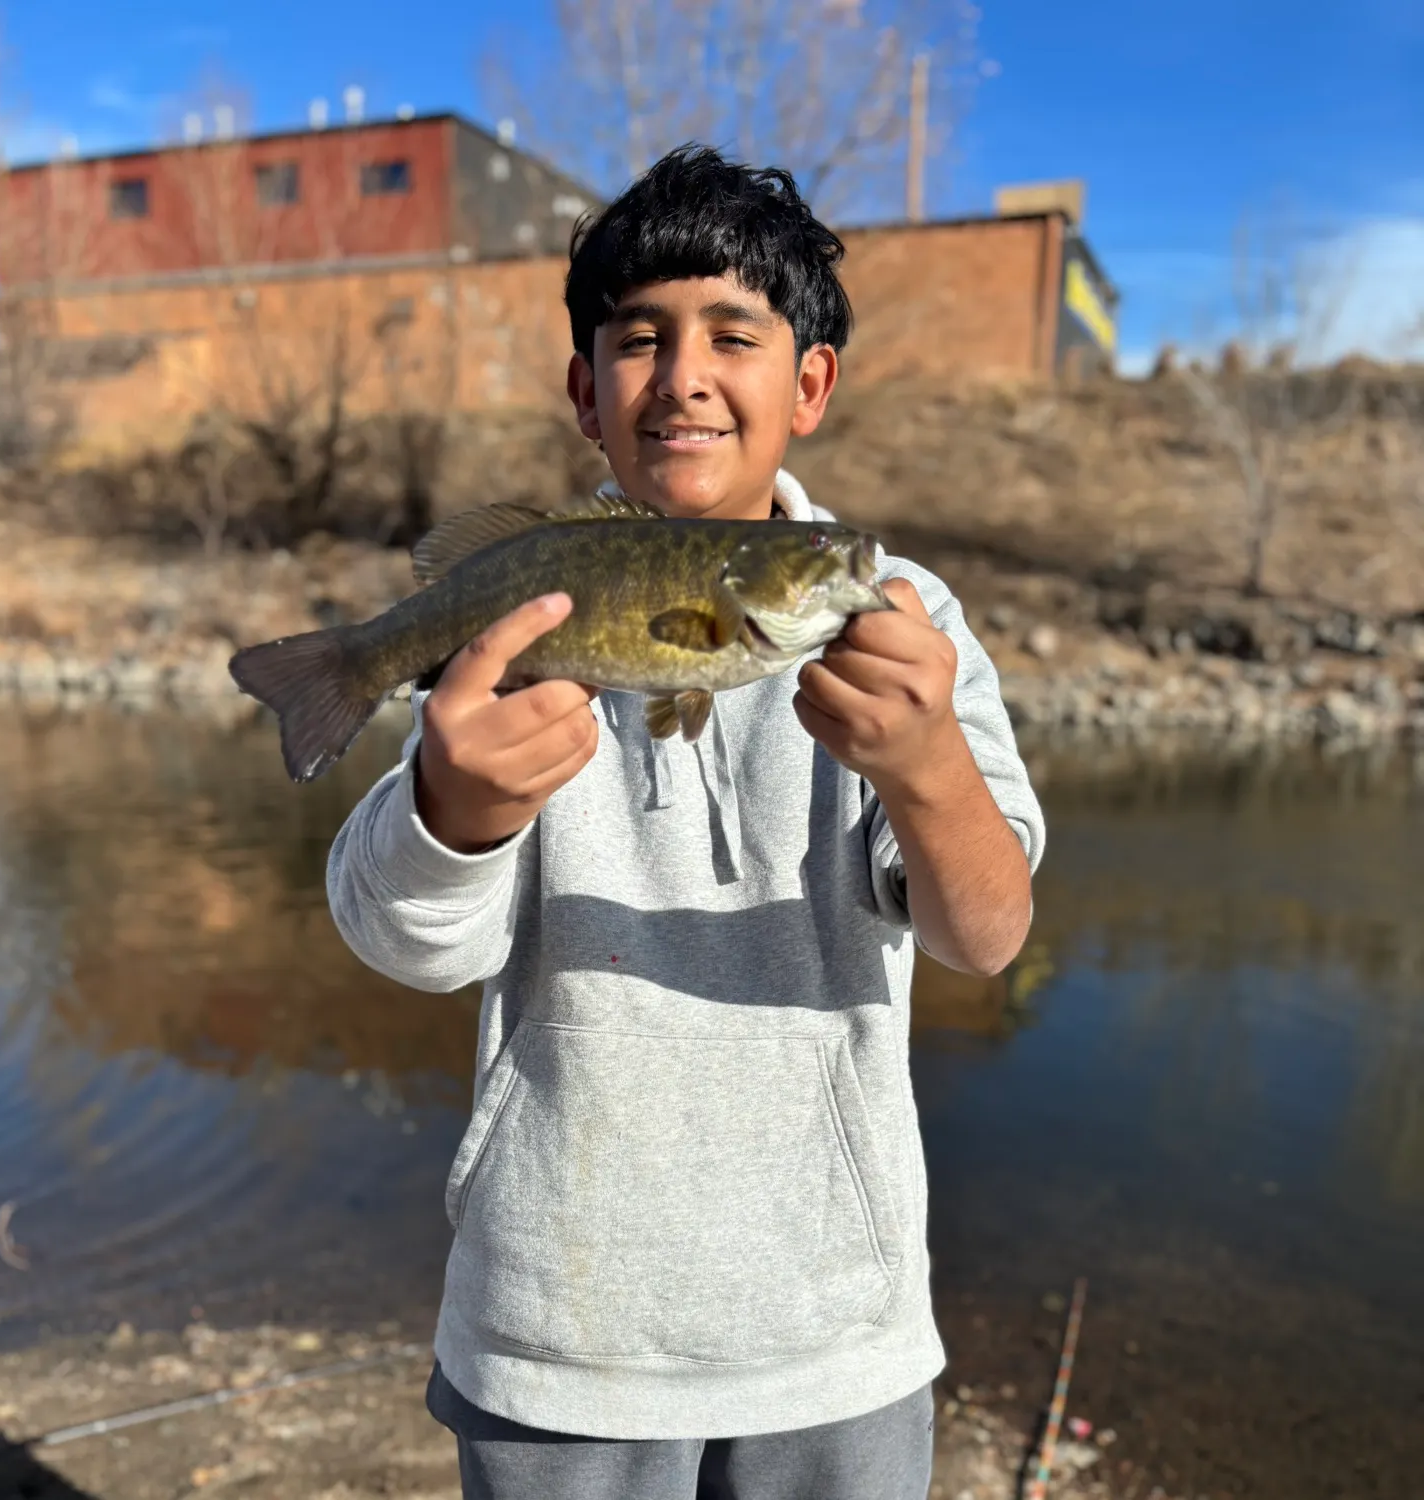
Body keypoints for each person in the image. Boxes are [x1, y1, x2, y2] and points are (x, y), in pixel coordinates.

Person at [326, 144, 1046, 1500]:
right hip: (557, 1335)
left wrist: (931, 768)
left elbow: (989, 936)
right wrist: (457, 806)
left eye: (735, 334)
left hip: (837, 1339)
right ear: (587, 395)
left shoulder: (906, 622)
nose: (685, 375)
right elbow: (400, 943)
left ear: (810, 384)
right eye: (639, 340)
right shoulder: (527, 607)